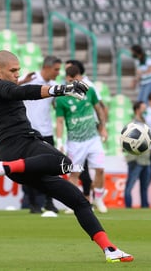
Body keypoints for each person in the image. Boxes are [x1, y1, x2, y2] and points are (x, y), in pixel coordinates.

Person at [0, 50, 133, 262]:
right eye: (13, 71)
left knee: (79, 202)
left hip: (22, 162)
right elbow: (22, 92)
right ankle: (2, 168)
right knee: (65, 163)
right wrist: (63, 89)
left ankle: (109, 249)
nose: (16, 75)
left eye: (18, 71)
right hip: (20, 150)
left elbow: (18, 90)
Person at [56, 65, 108, 214]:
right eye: (71, 80)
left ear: (80, 78)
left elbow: (99, 110)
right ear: (67, 79)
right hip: (75, 142)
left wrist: (103, 128)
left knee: (100, 169)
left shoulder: (89, 91)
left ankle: (98, 198)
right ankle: (72, 203)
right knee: (75, 173)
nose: (74, 83)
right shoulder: (62, 99)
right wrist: (59, 141)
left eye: (77, 79)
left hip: (93, 139)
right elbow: (59, 121)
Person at [18, 56, 62, 214]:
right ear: (47, 67)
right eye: (56, 69)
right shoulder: (30, 78)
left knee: (50, 168)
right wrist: (22, 82)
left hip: (47, 132)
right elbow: (6, 89)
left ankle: (49, 202)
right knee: (27, 169)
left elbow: (59, 107)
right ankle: (32, 203)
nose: (58, 72)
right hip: (27, 132)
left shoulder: (54, 86)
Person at [124, 101, 151, 208]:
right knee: (130, 184)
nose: (145, 110)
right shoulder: (132, 124)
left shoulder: (145, 123)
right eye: (143, 108)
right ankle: (128, 206)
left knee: (145, 185)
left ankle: (144, 206)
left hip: (146, 158)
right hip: (135, 158)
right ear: (137, 109)